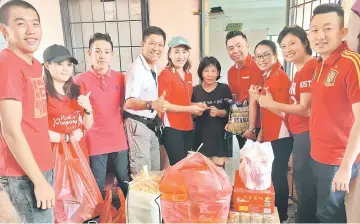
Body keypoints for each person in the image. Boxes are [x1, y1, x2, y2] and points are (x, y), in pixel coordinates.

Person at [0, 1, 55, 222]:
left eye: (35, 23)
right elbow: (11, 131)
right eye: (21, 24)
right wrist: (39, 182)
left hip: (40, 165)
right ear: (5, 30)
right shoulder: (8, 66)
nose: (31, 30)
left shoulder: (33, 64)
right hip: (23, 174)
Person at [258, 25, 318, 223]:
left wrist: (267, 103)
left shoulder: (298, 71)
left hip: (293, 133)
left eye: (292, 43)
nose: (288, 49)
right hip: (291, 132)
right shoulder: (297, 72)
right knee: (297, 180)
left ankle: (283, 215)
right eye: (284, 45)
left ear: (305, 43)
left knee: (291, 179)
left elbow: (300, 109)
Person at [307, 3, 360, 222]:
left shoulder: (351, 63)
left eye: (327, 28)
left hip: (337, 160)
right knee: (321, 211)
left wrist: (346, 167)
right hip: (318, 154)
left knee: (330, 216)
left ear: (343, 32)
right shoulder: (320, 64)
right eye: (315, 30)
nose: (320, 35)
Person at [74, 33, 130, 197]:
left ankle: (128, 215)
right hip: (94, 139)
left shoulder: (120, 78)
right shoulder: (79, 80)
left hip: (118, 137)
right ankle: (97, 219)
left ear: (112, 54)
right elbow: (78, 115)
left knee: (125, 180)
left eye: (106, 52)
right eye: (97, 51)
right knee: (96, 184)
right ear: (89, 53)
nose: (102, 56)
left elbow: (123, 105)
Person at [250, 40, 293, 223]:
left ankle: (281, 215)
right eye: (258, 56)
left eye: (266, 54)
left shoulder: (280, 77)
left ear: (275, 55)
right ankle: (273, 212)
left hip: (281, 135)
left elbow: (284, 111)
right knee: (272, 175)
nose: (261, 59)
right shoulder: (267, 76)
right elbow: (266, 109)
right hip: (270, 134)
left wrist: (258, 98)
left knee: (278, 175)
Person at [124, 26, 168, 175]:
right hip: (137, 124)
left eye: (160, 45)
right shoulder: (136, 69)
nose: (156, 48)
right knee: (142, 175)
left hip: (149, 124)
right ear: (143, 44)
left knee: (155, 172)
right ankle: (142, 199)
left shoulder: (152, 66)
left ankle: (153, 199)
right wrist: (151, 104)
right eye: (152, 43)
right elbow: (129, 102)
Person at [158, 36, 206, 165]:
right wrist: (190, 109)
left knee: (188, 165)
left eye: (184, 52)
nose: (181, 56)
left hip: (188, 127)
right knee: (178, 166)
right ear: (169, 54)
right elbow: (164, 105)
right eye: (176, 52)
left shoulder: (188, 74)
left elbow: (182, 101)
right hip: (172, 128)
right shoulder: (165, 74)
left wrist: (196, 105)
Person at [43, 44, 93, 163]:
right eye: (60, 64)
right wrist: (68, 137)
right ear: (47, 65)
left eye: (69, 64)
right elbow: (38, 132)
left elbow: (87, 126)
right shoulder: (41, 93)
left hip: (78, 153)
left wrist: (88, 109)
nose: (66, 69)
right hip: (55, 155)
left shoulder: (78, 90)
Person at [192, 57, 233, 167]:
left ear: (218, 72)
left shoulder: (224, 88)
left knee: (219, 172)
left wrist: (219, 112)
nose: (210, 74)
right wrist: (196, 112)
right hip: (200, 137)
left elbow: (230, 111)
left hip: (219, 137)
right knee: (202, 172)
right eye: (206, 71)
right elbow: (190, 113)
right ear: (201, 72)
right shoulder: (195, 90)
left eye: (213, 71)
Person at [226, 31, 263, 149]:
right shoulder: (231, 72)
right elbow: (235, 100)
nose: (235, 51)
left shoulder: (259, 66)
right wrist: (232, 121)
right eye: (231, 48)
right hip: (241, 124)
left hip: (260, 125)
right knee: (245, 160)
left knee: (261, 162)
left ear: (247, 44)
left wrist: (253, 128)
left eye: (239, 45)